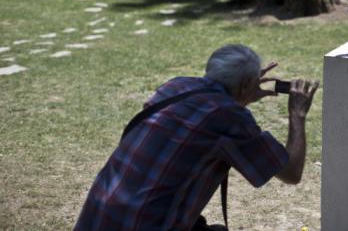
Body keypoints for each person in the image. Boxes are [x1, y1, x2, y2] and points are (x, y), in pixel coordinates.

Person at [75, 44, 319, 230]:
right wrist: (297, 115)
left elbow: (205, 116)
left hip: (97, 217)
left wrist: (242, 91)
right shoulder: (229, 117)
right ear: (246, 84)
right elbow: (291, 173)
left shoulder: (176, 86)